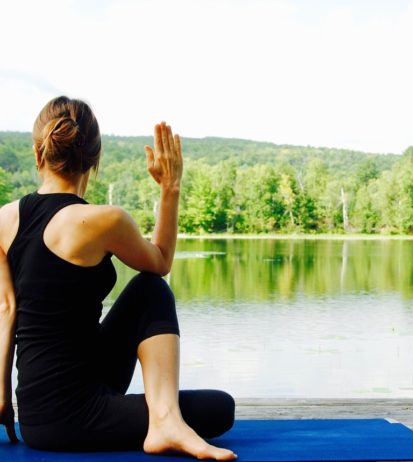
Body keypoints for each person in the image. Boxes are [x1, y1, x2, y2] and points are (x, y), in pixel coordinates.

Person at [0, 96, 237, 460]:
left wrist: (1, 396)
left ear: (38, 154)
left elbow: (5, 309)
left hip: (35, 417)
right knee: (219, 407)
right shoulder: (104, 219)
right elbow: (160, 262)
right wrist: (170, 188)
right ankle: (166, 420)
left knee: (146, 290)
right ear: (94, 161)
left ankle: (164, 418)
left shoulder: (3, 220)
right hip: (74, 418)